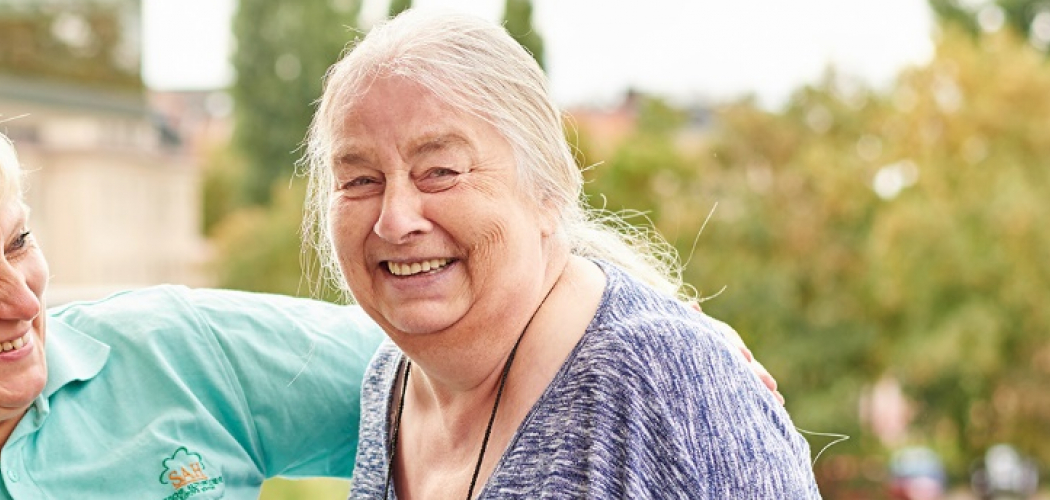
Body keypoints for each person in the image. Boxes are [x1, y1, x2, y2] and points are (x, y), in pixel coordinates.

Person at [0, 84, 783, 499]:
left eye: (19, 243)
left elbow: (455, 366)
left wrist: (652, 332)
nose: (20, 297)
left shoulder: (175, 350)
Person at [300, 8, 818, 499]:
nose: (394, 218)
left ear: (549, 192)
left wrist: (694, 358)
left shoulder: (663, 380)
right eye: (359, 180)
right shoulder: (389, 379)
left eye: (441, 171)